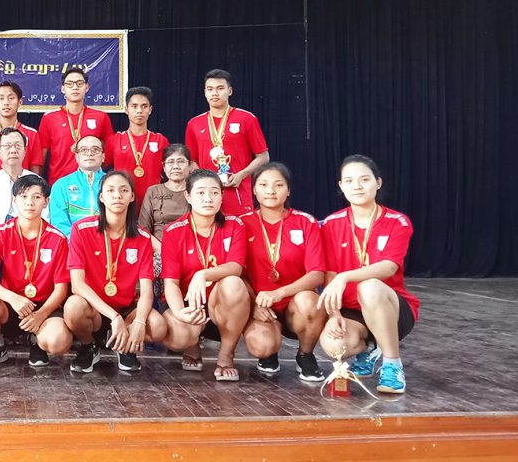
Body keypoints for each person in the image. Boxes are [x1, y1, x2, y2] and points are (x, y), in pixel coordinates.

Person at [318, 155, 417, 394]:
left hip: (390, 307)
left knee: (369, 286)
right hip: (353, 311)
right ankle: (369, 349)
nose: (357, 186)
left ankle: (392, 364)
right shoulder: (331, 224)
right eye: (349, 181)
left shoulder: (397, 221)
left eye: (364, 179)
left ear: (378, 183)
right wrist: (333, 314)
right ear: (341, 186)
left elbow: (389, 267)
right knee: (334, 345)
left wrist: (346, 276)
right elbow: (330, 275)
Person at [63, 170, 167, 373]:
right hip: (93, 309)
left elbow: (147, 289)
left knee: (157, 326)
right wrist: (114, 316)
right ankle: (89, 346)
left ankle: (124, 347)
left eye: (123, 190)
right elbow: (77, 285)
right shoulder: (81, 229)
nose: (117, 195)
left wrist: (139, 321)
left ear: (132, 196)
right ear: (101, 197)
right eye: (110, 190)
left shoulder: (142, 237)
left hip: (126, 308)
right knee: (73, 307)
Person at [239, 163, 326, 382]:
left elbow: (317, 274)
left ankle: (305, 355)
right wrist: (253, 305)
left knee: (310, 302)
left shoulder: (305, 222)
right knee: (261, 346)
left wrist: (280, 293)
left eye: (278, 185)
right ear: (254, 190)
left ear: (288, 190)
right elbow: (237, 273)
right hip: (260, 304)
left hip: (295, 303)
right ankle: (270, 352)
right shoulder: (242, 224)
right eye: (263, 185)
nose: (270, 191)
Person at [161, 169, 249, 381]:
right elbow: (171, 282)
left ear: (222, 196)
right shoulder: (173, 231)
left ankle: (226, 356)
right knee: (177, 336)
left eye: (214, 192)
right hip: (189, 304)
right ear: (188, 196)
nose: (208, 198)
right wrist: (180, 313)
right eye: (200, 193)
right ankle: (191, 345)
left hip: (222, 306)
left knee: (234, 283)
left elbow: (236, 267)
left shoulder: (234, 225)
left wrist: (202, 274)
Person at [0, 175, 72, 368]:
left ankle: (38, 342)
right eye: (23, 196)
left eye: (37, 197)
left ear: (46, 201)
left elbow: (61, 288)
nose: (29, 202)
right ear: (14, 200)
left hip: (45, 306)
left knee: (58, 341)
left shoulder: (58, 239)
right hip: (10, 305)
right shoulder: (1, 232)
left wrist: (41, 314)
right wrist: (12, 298)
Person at [184, 69, 269, 216]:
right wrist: (205, 180)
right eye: (210, 89)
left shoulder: (246, 119)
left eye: (220, 88)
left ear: (229, 91)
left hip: (238, 191)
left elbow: (263, 157)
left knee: (241, 230)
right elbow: (192, 161)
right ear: (205, 93)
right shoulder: (194, 124)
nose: (214, 93)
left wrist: (241, 175)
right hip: (207, 196)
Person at [0, 127, 45, 250]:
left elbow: (45, 216)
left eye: (18, 146)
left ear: (25, 151)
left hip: (30, 245)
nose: (13, 150)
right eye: (7, 146)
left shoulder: (37, 182)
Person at [38, 66, 114, 185]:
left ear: (87, 87)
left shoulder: (101, 117)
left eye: (79, 83)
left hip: (93, 183)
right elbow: (41, 157)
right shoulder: (49, 118)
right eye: (70, 84)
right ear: (63, 89)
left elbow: (108, 154)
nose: (75, 87)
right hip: (59, 183)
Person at [105, 87, 169, 211]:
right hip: (123, 203)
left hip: (153, 204)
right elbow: (103, 169)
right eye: (134, 106)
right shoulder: (114, 140)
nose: (139, 111)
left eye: (144, 106)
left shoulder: (161, 141)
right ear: (126, 110)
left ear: (150, 110)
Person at [0, 80, 43, 186]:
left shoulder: (32, 134)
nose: (6, 103)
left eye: (11, 98)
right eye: (1, 98)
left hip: (23, 192)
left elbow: (35, 172)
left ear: (20, 102)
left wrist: (26, 192)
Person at [138, 143, 193, 278]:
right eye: (170, 162)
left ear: (190, 165)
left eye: (181, 161)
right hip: (158, 251)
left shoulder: (196, 191)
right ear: (163, 166)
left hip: (191, 250)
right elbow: (143, 230)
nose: (176, 166)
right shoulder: (153, 191)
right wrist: (163, 251)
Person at [48, 135, 105, 238]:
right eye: (83, 150)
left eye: (95, 149)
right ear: (77, 157)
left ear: (103, 157)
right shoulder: (61, 185)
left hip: (107, 243)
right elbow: (59, 224)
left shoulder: (113, 184)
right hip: (73, 244)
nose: (89, 153)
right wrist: (76, 244)